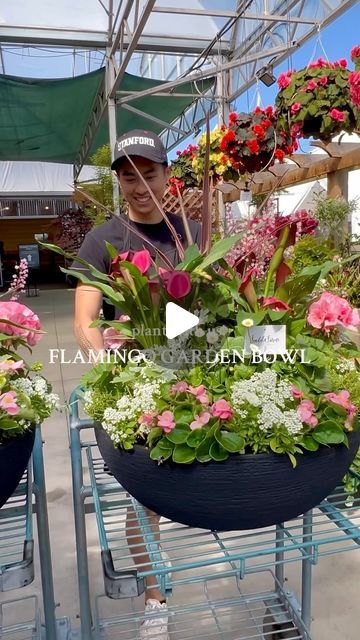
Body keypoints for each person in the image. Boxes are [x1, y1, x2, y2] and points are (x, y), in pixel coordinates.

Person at [72, 129, 200, 639]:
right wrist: (107, 356)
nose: (140, 185)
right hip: (137, 380)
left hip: (193, 370)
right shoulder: (104, 239)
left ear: (168, 175)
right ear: (120, 181)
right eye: (129, 176)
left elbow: (217, 304)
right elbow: (85, 318)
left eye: (149, 173)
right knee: (143, 498)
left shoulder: (191, 234)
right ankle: (154, 597)